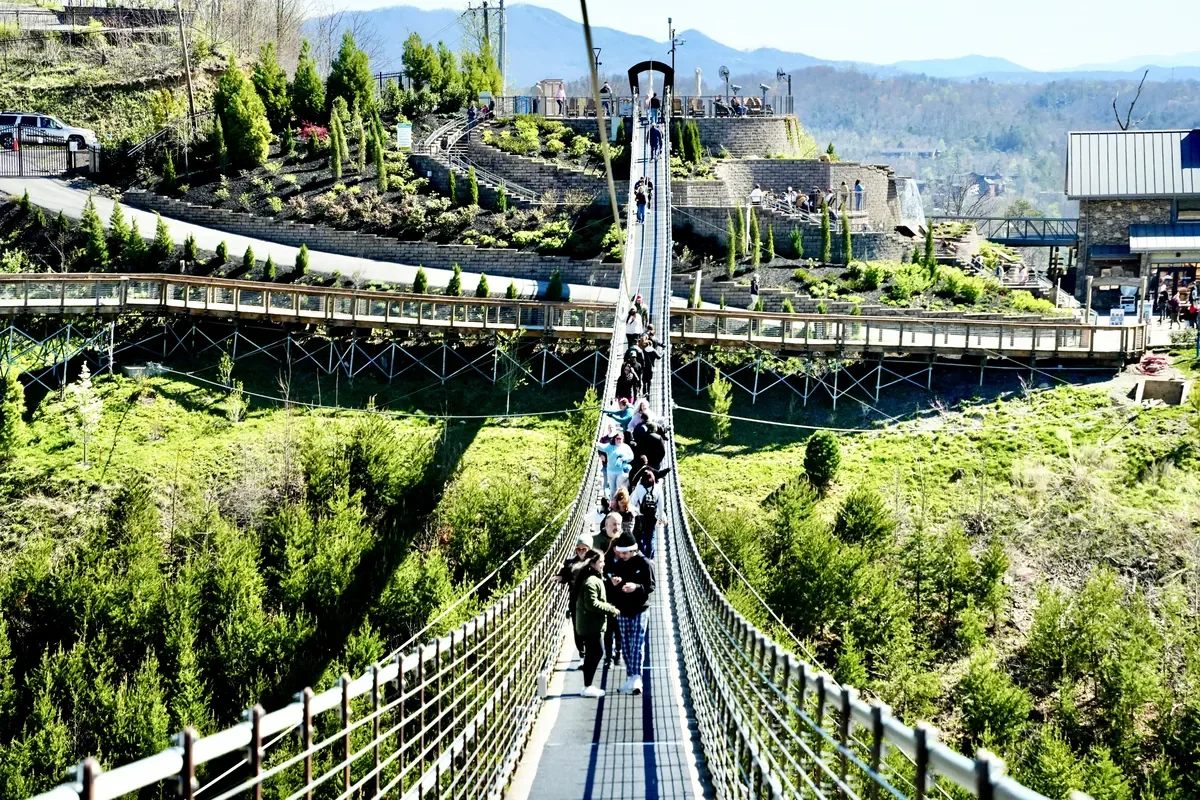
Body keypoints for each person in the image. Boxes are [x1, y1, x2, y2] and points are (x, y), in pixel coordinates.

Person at [605, 531, 656, 694]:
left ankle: (636, 677)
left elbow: (650, 587)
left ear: (633, 550)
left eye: (625, 552)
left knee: (637, 642)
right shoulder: (619, 564)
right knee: (626, 644)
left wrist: (636, 587)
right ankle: (631, 677)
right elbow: (613, 586)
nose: (622, 555)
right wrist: (614, 583)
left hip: (640, 608)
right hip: (623, 609)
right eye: (621, 552)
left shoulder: (645, 564)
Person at [575, 550, 619, 697]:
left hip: (590, 623)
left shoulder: (595, 578)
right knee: (597, 652)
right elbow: (591, 604)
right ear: (593, 563)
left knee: (593, 653)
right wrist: (611, 608)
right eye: (601, 562)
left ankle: (588, 686)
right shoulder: (591, 581)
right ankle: (587, 686)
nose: (604, 564)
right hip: (590, 625)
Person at [554, 536, 596, 665]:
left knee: (592, 629)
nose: (581, 552)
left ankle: (591, 653)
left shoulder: (595, 561)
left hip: (591, 600)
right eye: (579, 549)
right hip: (576, 601)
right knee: (578, 629)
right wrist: (559, 578)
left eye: (584, 549)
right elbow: (564, 576)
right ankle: (582, 655)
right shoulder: (570, 562)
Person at [629, 471, 659, 557]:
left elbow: (632, 502)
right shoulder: (657, 488)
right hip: (653, 517)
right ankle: (649, 558)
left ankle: (642, 556)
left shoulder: (639, 488)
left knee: (640, 537)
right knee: (650, 538)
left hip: (641, 516)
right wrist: (661, 517)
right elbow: (660, 505)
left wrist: (635, 512)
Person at [598, 431, 634, 497]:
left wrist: (624, 459)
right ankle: (612, 504)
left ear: (623, 439)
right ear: (614, 439)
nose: (618, 440)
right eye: (617, 438)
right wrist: (595, 443)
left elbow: (631, 457)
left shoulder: (626, 447)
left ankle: (618, 504)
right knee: (612, 489)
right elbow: (601, 446)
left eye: (620, 438)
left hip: (621, 472)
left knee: (619, 488)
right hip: (611, 471)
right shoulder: (610, 446)